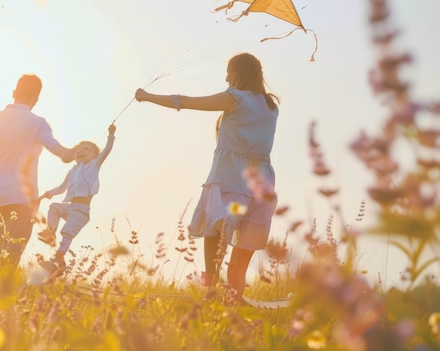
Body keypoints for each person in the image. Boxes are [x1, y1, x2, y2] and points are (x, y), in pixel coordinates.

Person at [134, 52, 279, 299]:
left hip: (231, 176)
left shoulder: (236, 98)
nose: (226, 77)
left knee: (214, 229)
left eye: (229, 71)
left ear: (238, 72)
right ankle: (232, 301)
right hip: (262, 182)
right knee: (240, 258)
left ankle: (209, 289)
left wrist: (147, 97)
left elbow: (188, 102)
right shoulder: (270, 106)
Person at [0, 74, 75, 267]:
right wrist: (76, 153)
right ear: (36, 100)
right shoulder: (38, 124)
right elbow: (61, 153)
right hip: (22, 202)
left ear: (14, 93)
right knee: (10, 262)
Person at [36, 123, 116, 274]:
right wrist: (46, 194)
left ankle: (59, 259)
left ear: (95, 156)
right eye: (79, 149)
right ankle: (51, 233)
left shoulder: (94, 165)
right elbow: (61, 188)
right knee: (54, 208)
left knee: (67, 232)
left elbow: (106, 151)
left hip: (82, 211)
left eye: (86, 149)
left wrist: (110, 136)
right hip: (71, 206)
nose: (81, 151)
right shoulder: (73, 170)